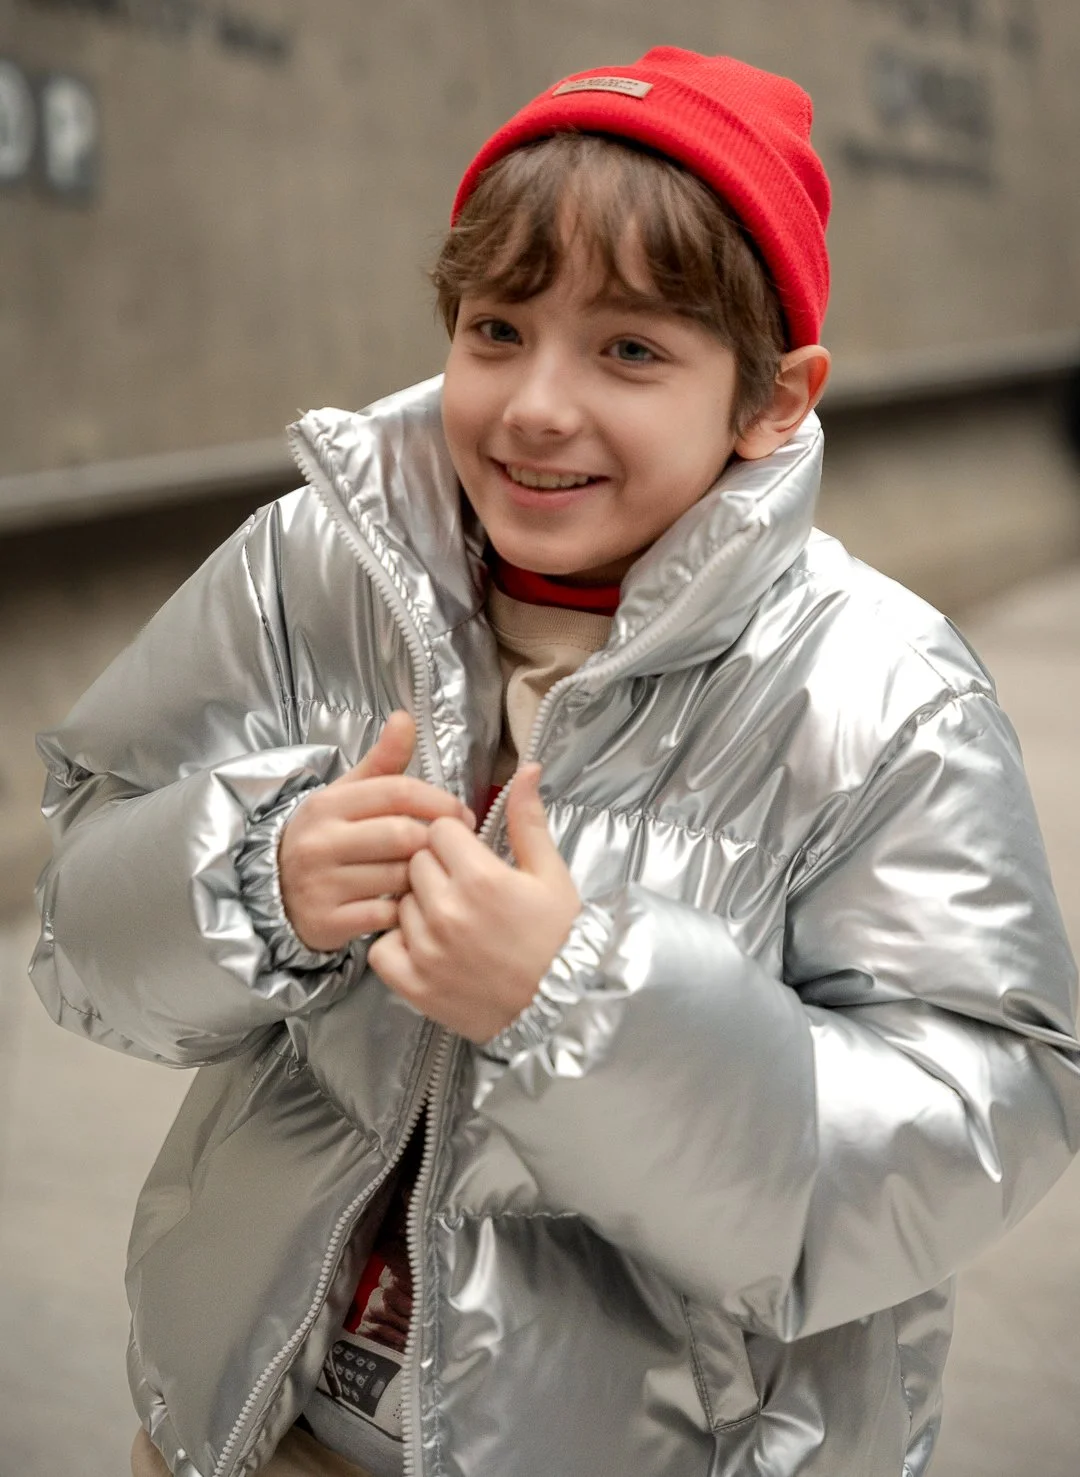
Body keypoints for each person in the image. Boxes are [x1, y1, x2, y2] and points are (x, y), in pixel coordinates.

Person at [28, 46, 1080, 1477]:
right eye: (497, 328)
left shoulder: (879, 693)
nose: (535, 405)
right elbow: (83, 919)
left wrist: (579, 1001)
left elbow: (983, 1113)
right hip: (252, 1415)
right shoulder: (311, 571)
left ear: (775, 398)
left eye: (632, 350)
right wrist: (249, 875)